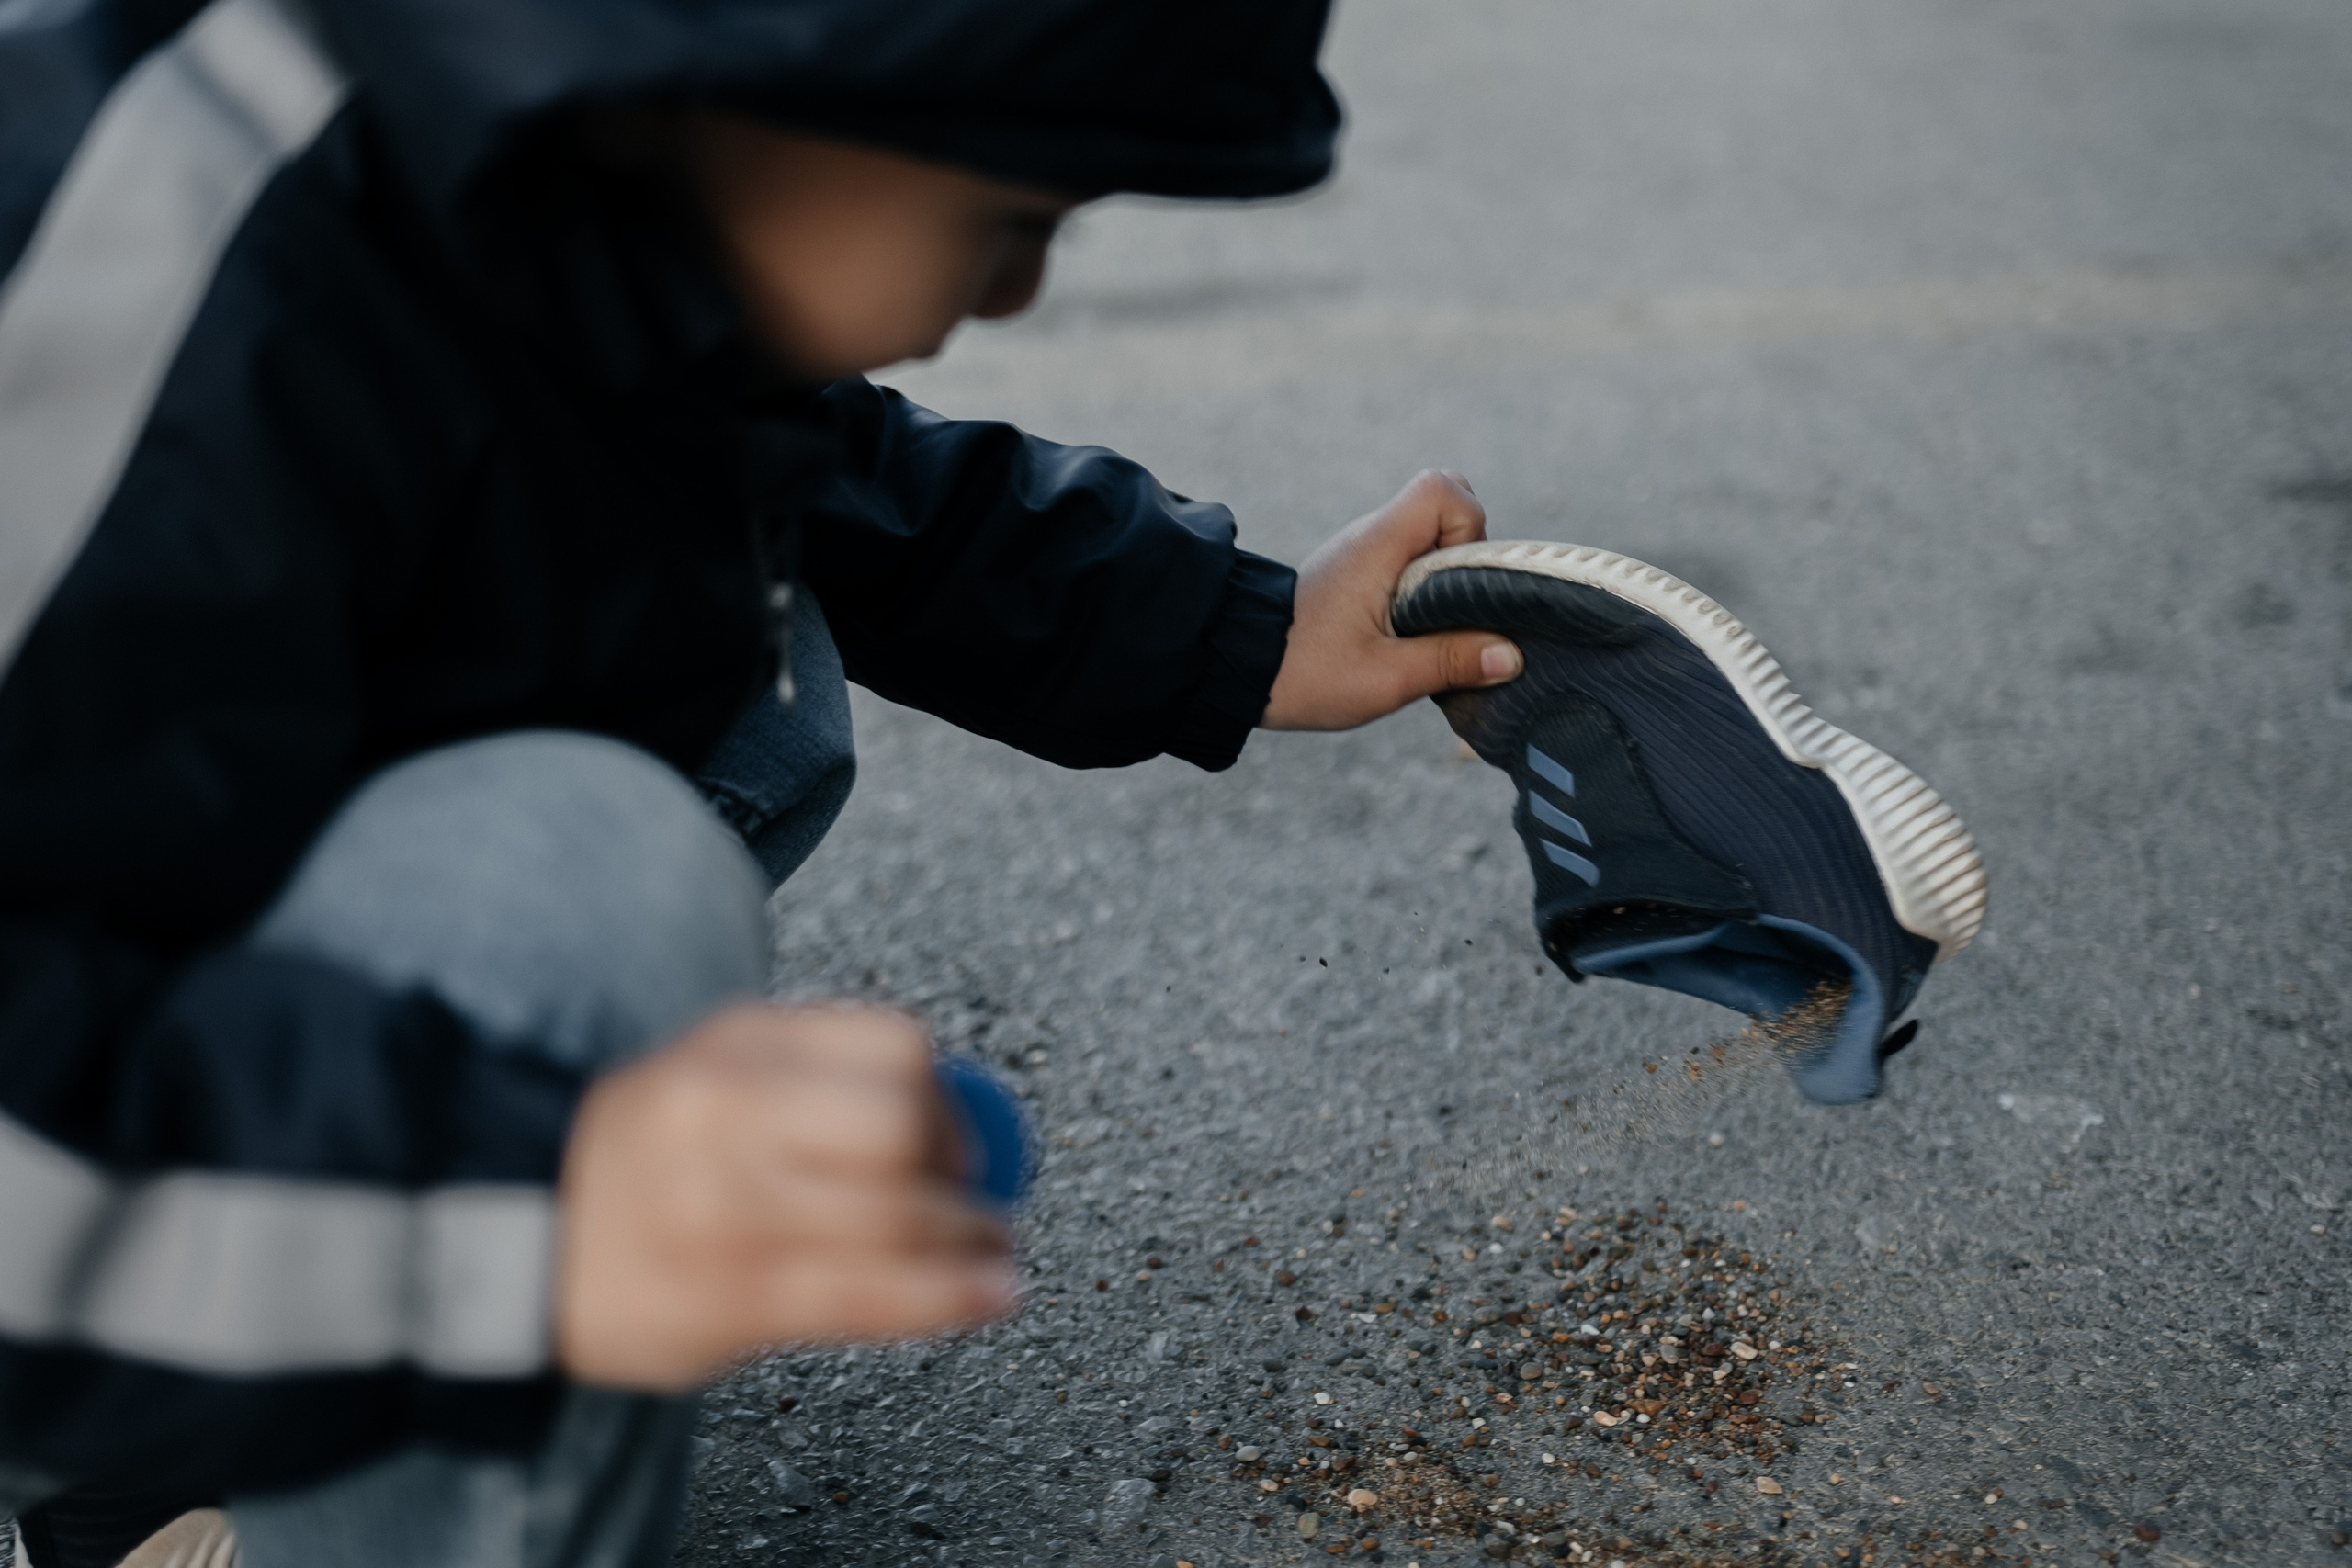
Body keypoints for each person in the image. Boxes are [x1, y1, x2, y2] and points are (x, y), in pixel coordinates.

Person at [0, 1, 1524, 1563]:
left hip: (146, 984)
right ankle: (176, 1441)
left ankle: (207, 1409)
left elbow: (812, 469)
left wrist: (1238, 633)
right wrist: (502, 1220)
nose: (1015, 288)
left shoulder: (545, 159)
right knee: (581, 878)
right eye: (1010, 219)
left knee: (740, 652)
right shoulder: (132, 311)